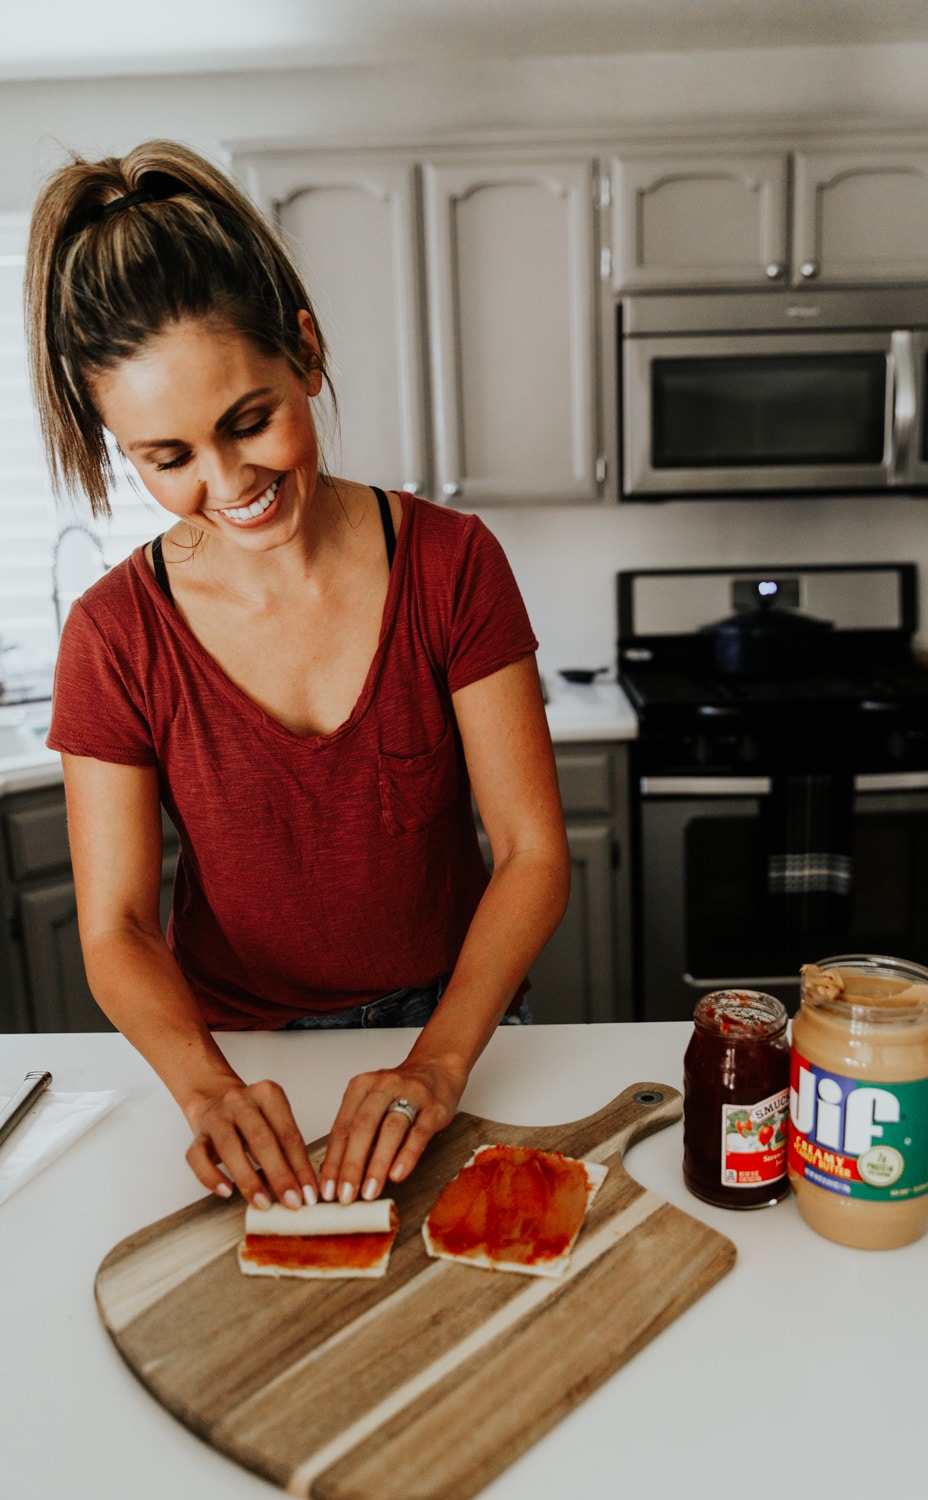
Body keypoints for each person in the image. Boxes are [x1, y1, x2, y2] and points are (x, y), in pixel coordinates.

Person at [26, 140, 570, 1216]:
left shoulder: (453, 564)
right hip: (238, 1052)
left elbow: (530, 851)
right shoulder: (112, 635)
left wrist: (440, 1062)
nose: (230, 484)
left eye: (249, 421)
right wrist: (205, 1090)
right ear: (120, 448)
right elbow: (117, 929)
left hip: (454, 1026)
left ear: (305, 354)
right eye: (167, 458)